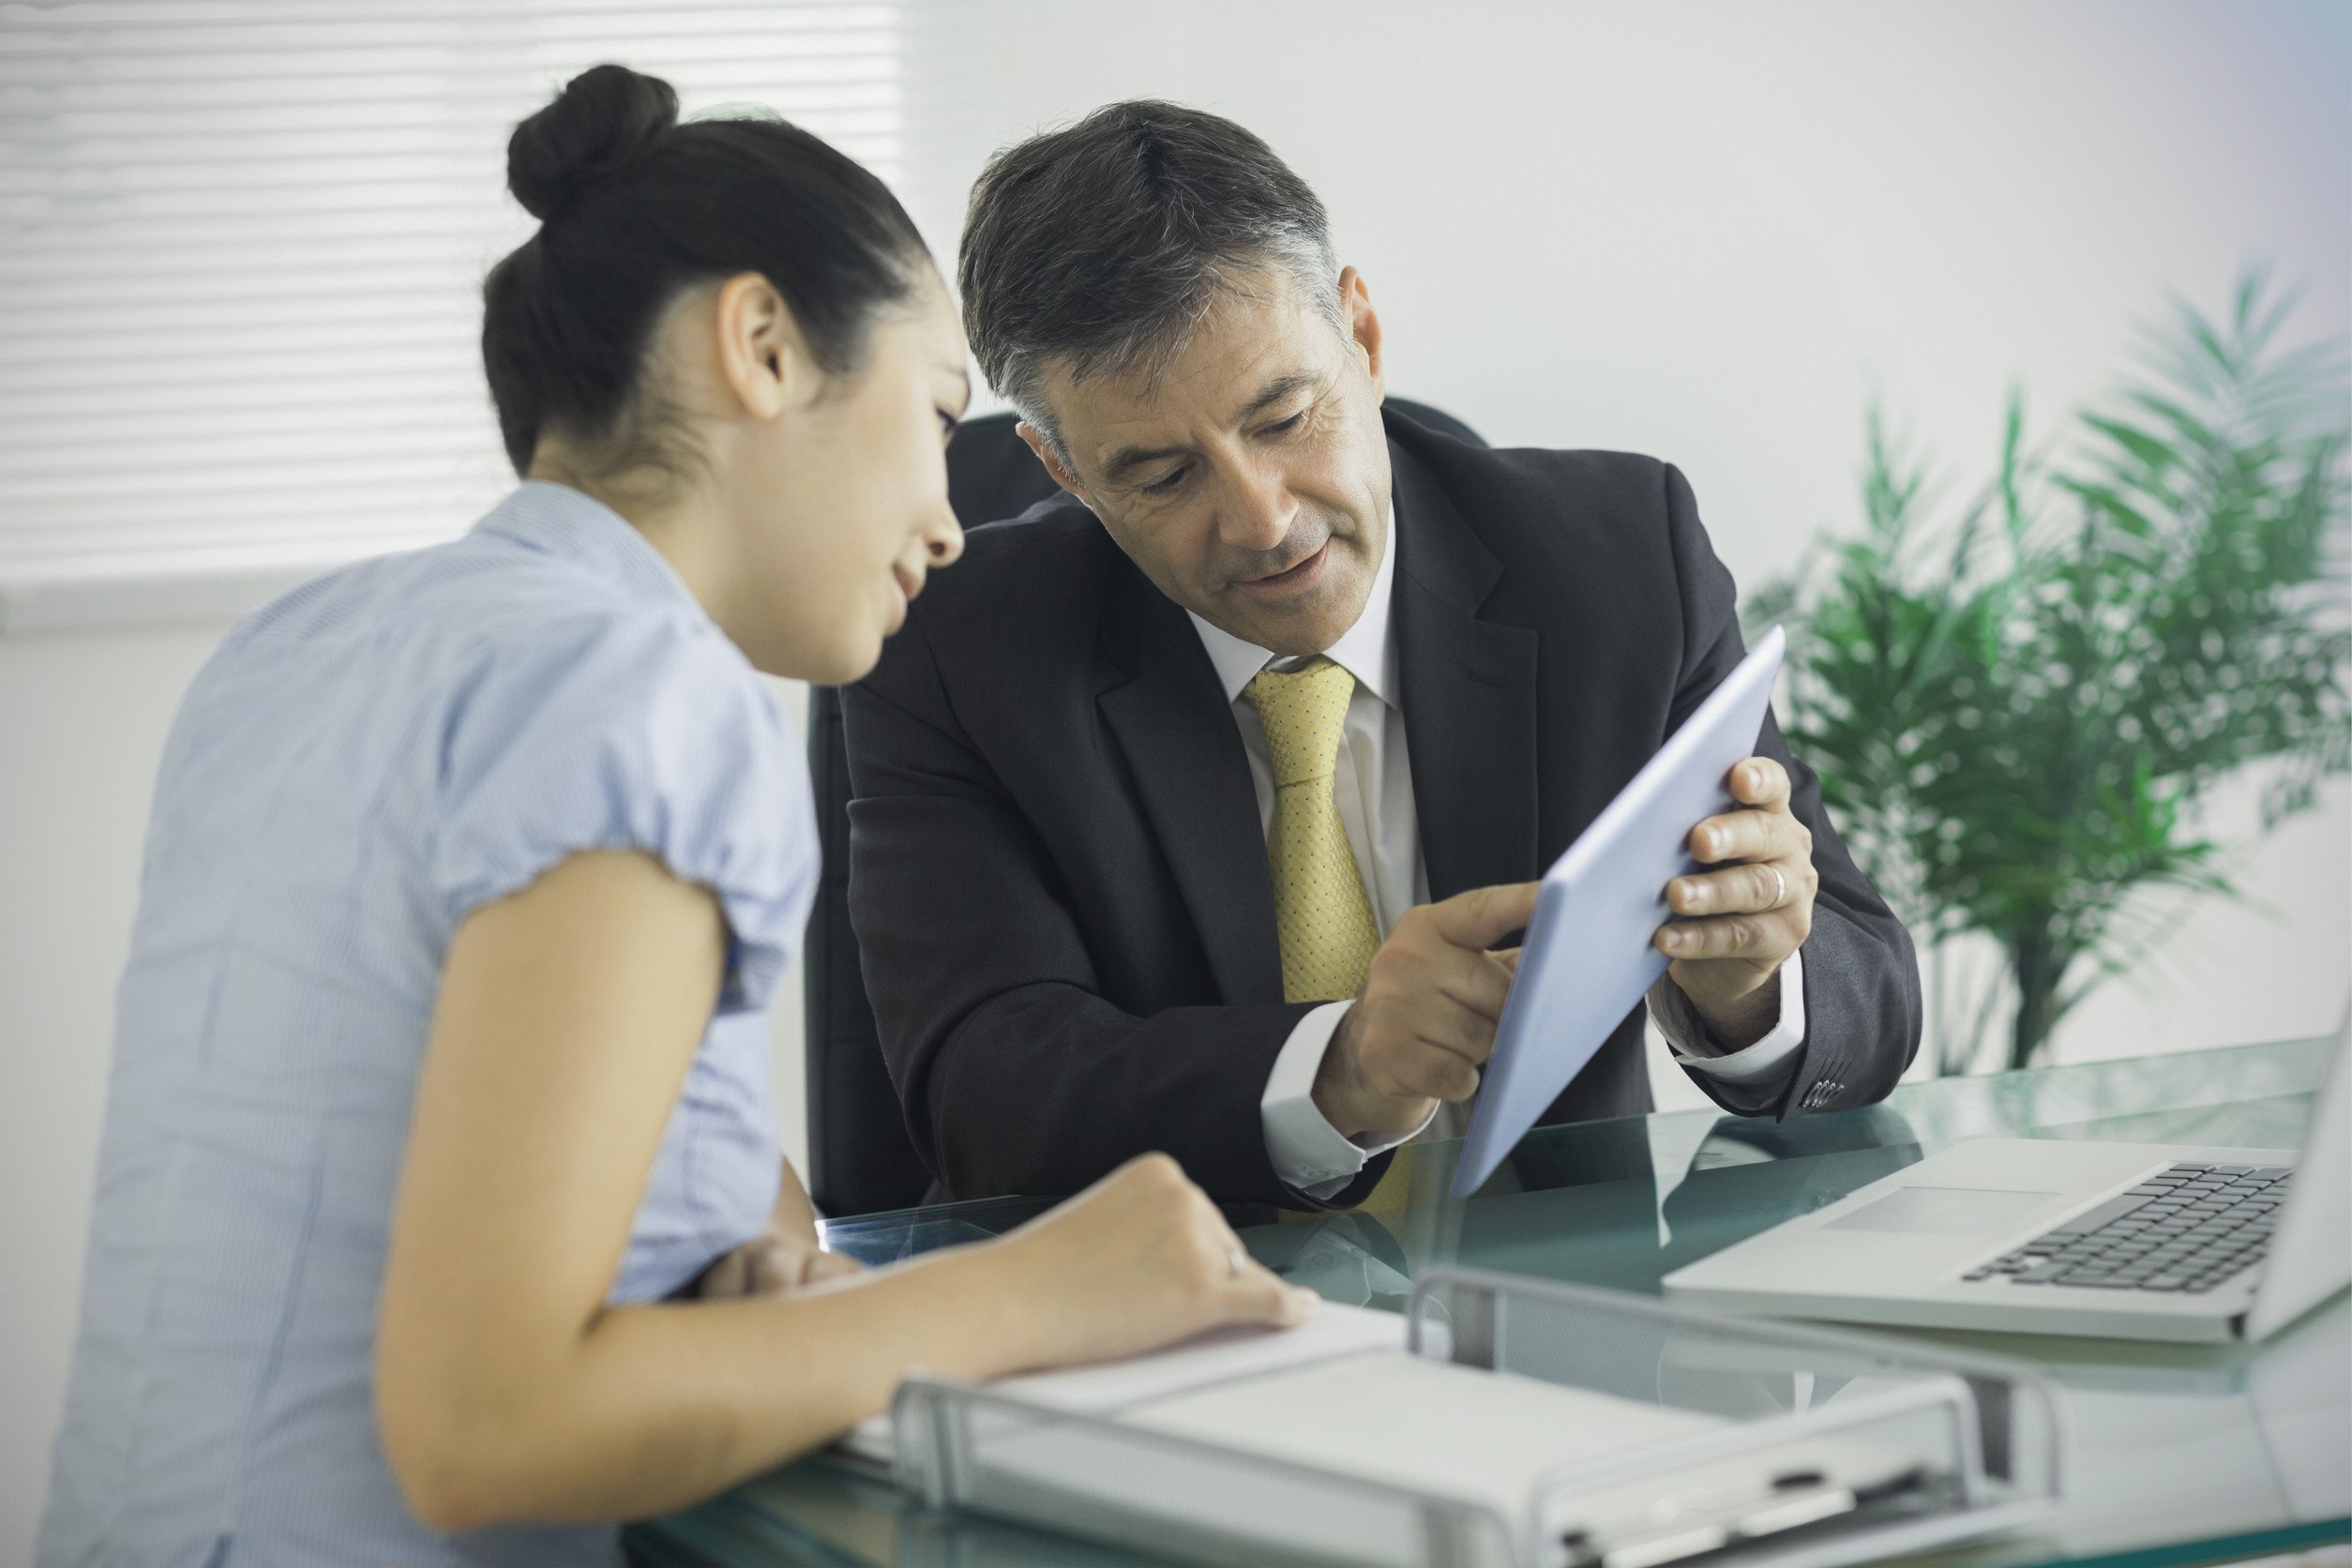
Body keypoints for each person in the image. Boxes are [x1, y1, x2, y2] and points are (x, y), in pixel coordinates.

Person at [38, 68, 1311, 1568]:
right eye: (934, 415)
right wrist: (1046, 1287)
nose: (950, 522)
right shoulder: (641, 686)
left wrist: (756, 1229)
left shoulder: (297, 651)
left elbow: (472, 1102)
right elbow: (483, 1430)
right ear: (763, 346)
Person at [842, 101, 1922, 1211]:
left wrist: (1747, 987)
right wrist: (1339, 1068)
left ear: (1361, 337)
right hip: (1161, 1336)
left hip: (1556, 1329)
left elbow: (1867, 987)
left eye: (1285, 418)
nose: (1262, 519)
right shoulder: (951, 651)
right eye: (1164, 476)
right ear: (1065, 474)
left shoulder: (1620, 559)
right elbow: (982, 1094)